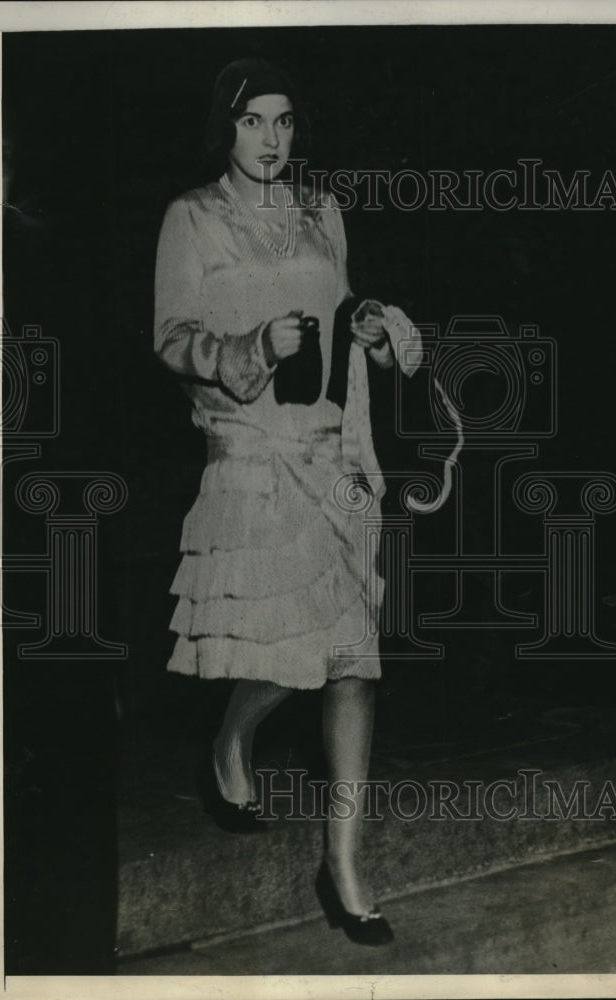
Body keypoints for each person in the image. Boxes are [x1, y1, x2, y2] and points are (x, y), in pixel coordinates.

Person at [154, 58, 421, 946]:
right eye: (252, 121)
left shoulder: (320, 211)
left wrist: (367, 330)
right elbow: (172, 338)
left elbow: (338, 315)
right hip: (251, 454)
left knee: (352, 658)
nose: (271, 139)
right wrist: (252, 346)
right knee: (288, 647)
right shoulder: (192, 216)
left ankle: (342, 866)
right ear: (223, 128)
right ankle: (231, 740)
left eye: (284, 121)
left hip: (330, 453)